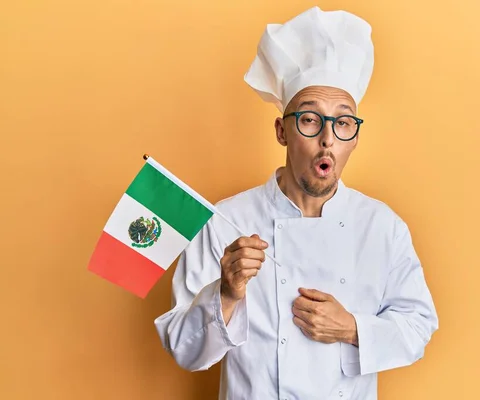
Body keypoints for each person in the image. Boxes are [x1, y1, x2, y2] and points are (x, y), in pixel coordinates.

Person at [154, 6, 438, 400]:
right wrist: (226, 294)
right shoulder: (225, 221)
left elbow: (419, 326)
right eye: (309, 120)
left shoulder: (382, 227)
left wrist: (352, 329)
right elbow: (183, 349)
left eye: (342, 122)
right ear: (281, 131)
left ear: (354, 137)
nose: (327, 139)